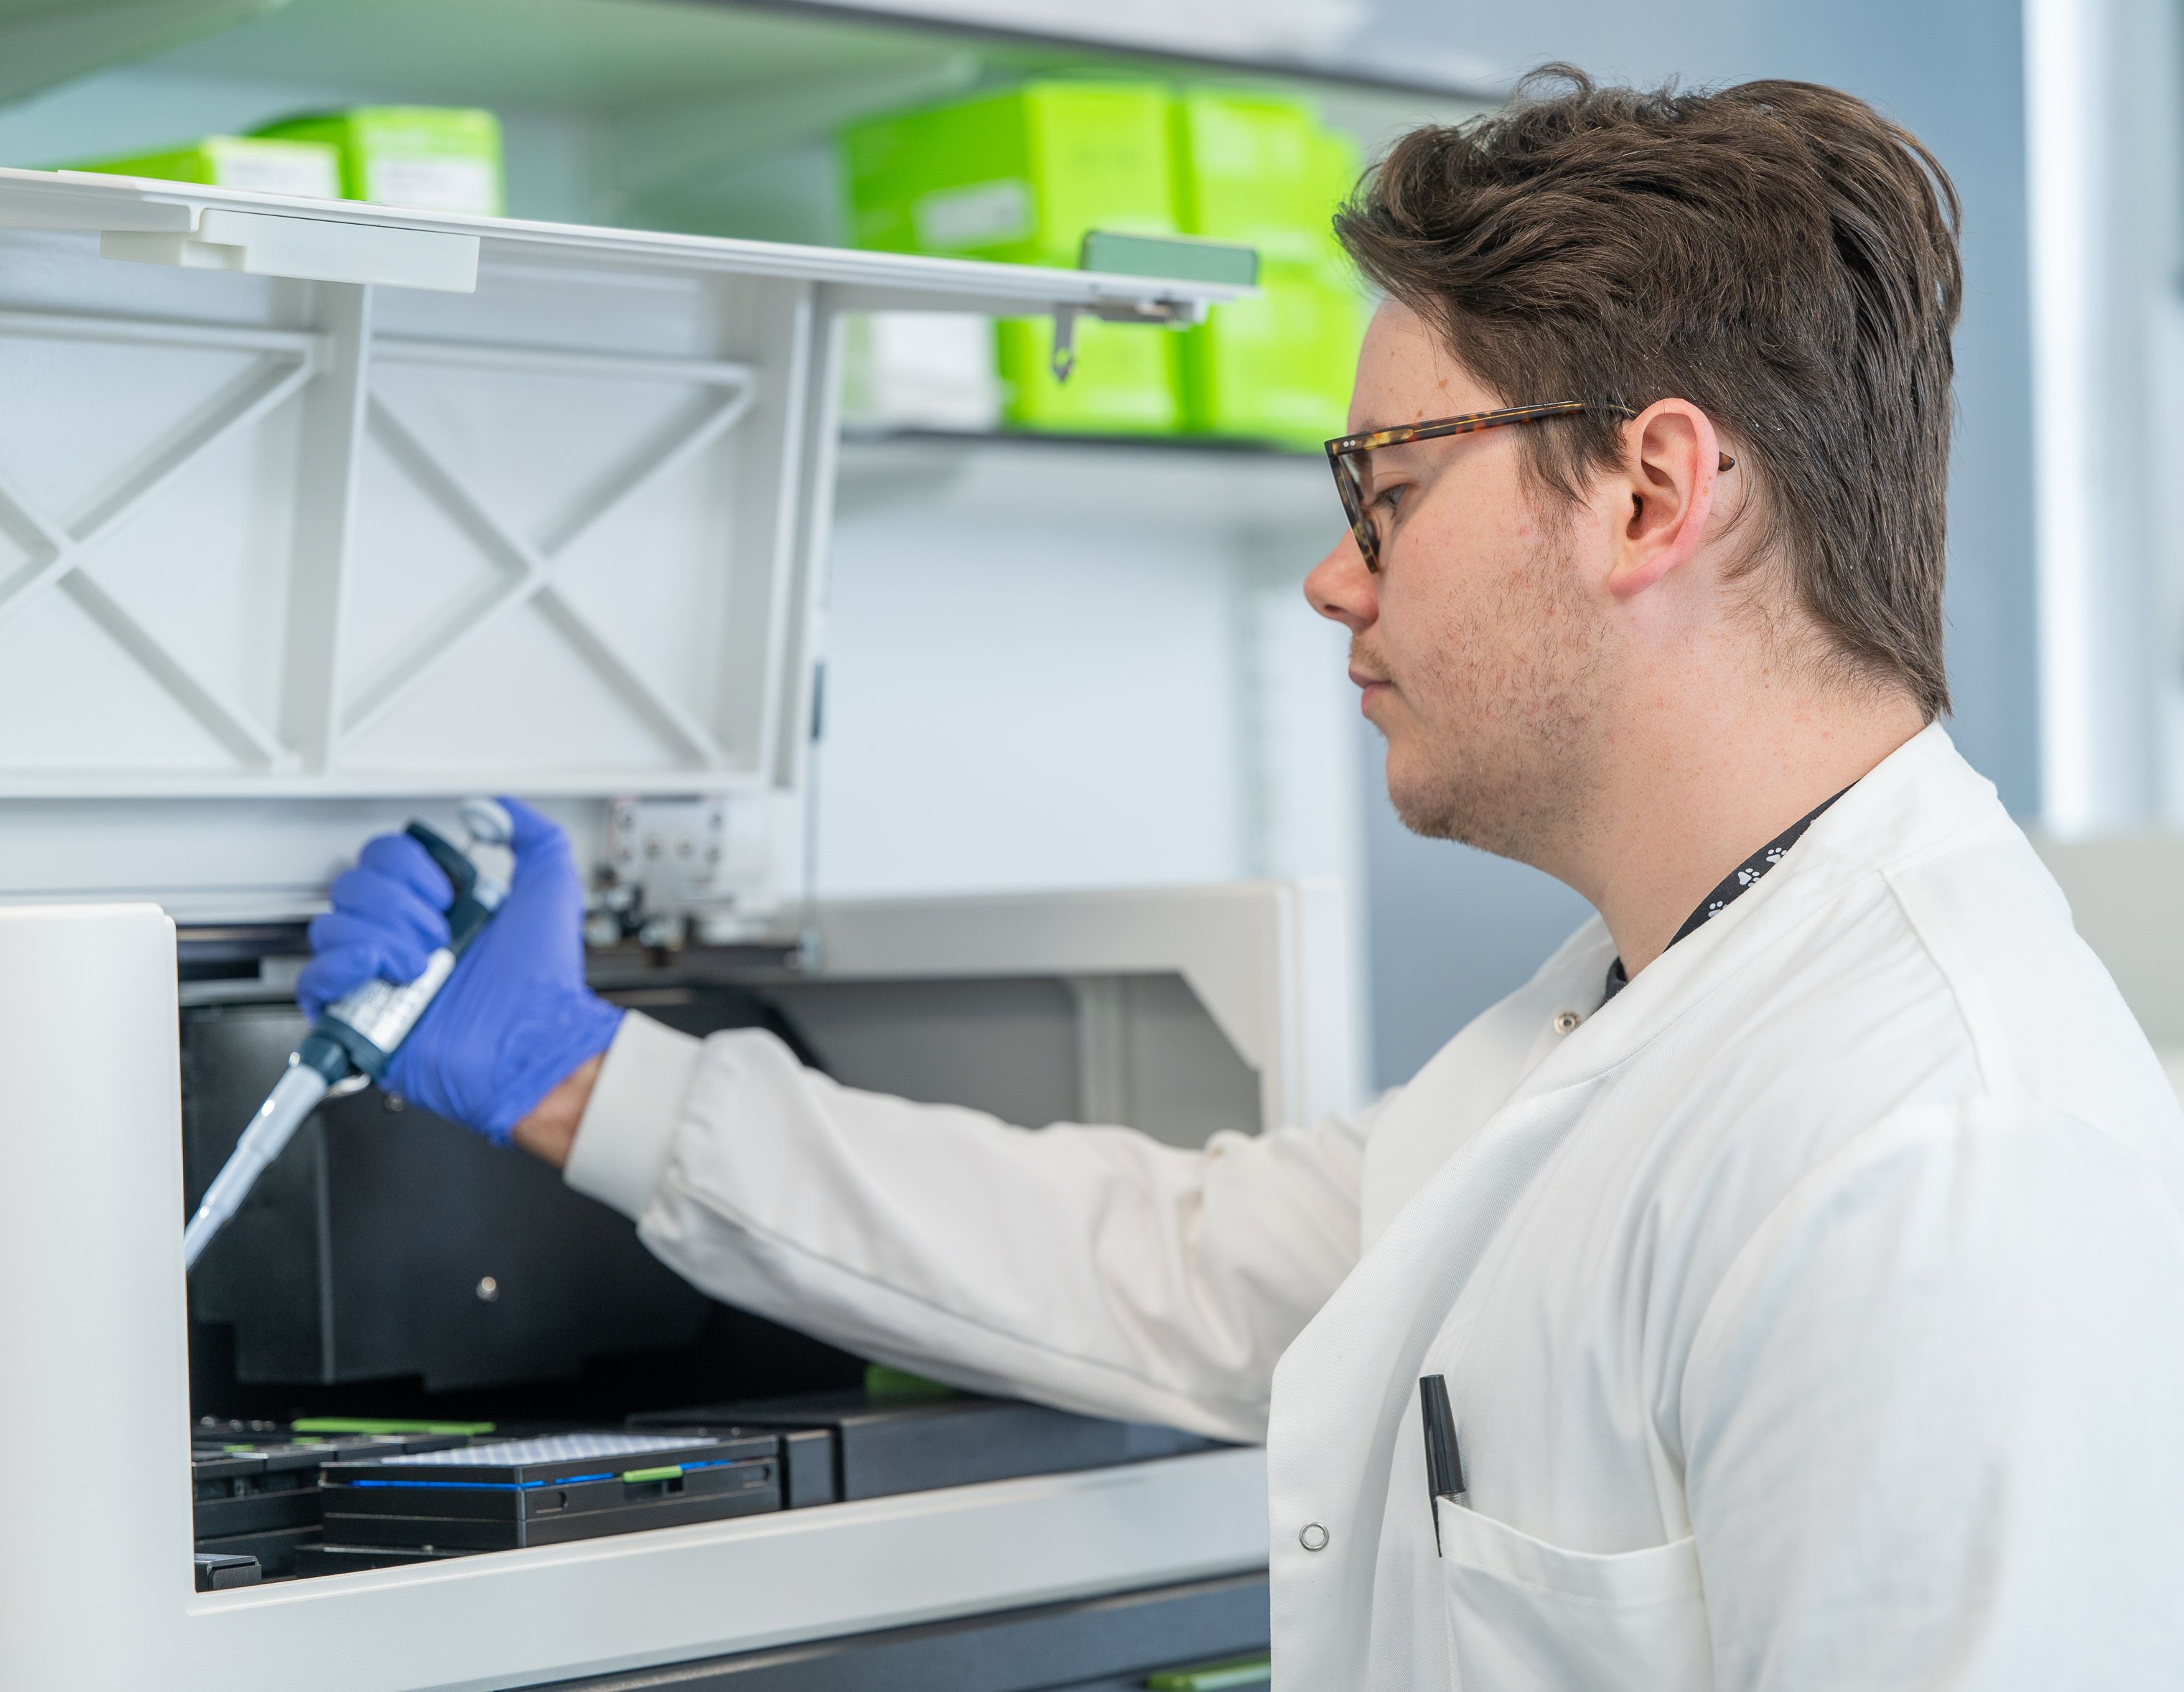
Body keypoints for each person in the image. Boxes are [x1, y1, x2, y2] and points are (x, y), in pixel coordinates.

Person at [299, 68, 2184, 1690]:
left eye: (1390, 485)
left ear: (1649, 496)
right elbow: (1173, 1266)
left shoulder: (1935, 1152)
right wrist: (581, 1075)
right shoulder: (1647, 1010)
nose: (1338, 577)